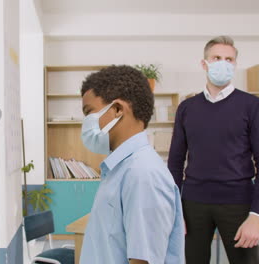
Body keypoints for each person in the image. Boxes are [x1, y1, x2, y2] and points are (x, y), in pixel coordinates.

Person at [168, 36, 259, 264]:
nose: (223, 63)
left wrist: (256, 217)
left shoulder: (253, 106)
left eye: (229, 59)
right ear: (204, 63)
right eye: (216, 58)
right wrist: (175, 210)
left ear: (235, 65)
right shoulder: (186, 108)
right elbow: (175, 163)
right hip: (192, 205)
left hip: (239, 204)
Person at [79, 65, 184, 264]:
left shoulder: (142, 174)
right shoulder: (121, 169)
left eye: (89, 113)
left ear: (117, 109)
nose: (85, 123)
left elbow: (143, 260)